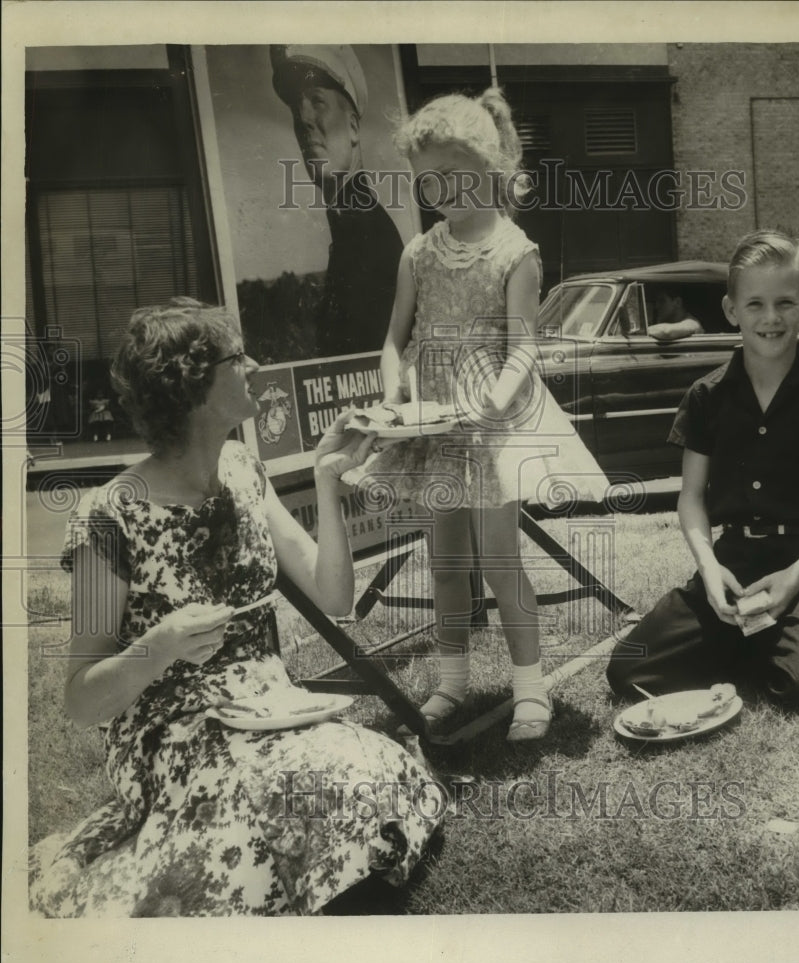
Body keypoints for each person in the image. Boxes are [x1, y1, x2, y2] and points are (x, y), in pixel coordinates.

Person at [29, 298, 444, 917]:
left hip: (270, 711)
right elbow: (80, 699)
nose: (254, 363)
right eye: (237, 356)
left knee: (362, 763)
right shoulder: (106, 517)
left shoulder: (244, 468)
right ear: (192, 383)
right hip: (170, 733)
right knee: (287, 792)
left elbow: (335, 597)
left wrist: (327, 481)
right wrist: (158, 645)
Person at [353, 89, 609, 742]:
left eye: (451, 175)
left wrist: (498, 394)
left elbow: (524, 343)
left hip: (491, 423)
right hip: (435, 423)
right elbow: (394, 339)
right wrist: (391, 395)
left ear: (488, 164)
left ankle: (530, 690)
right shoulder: (418, 252)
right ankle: (452, 681)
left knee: (498, 560)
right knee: (443, 562)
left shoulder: (513, 251)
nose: (439, 191)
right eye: (425, 181)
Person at [607, 231, 799, 711]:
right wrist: (710, 573)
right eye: (755, 304)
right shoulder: (707, 396)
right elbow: (690, 497)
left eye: (786, 303)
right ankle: (752, 639)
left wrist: (793, 578)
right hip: (730, 562)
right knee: (631, 670)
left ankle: (769, 641)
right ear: (732, 310)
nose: (771, 318)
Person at [270, 44, 403, 358]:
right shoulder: (352, 228)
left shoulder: (368, 237)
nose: (304, 119)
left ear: (354, 128)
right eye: (296, 108)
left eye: (317, 101)